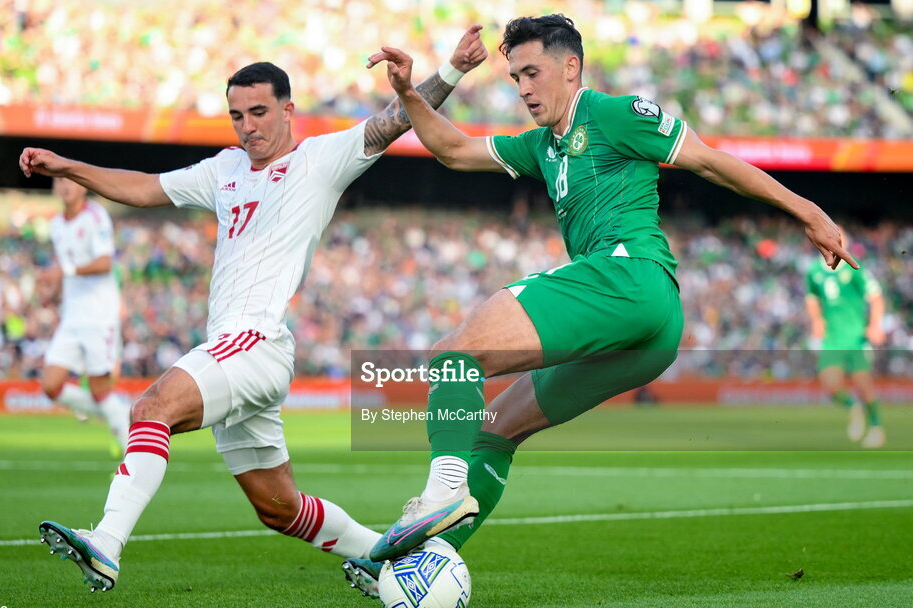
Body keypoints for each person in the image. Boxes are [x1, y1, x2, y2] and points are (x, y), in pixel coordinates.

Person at [356, 14, 856, 575]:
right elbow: (452, 150)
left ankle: (442, 491)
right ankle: (426, 564)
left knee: (454, 355)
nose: (522, 88)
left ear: (571, 68)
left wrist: (809, 212)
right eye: (514, 77)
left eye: (532, 73)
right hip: (649, 334)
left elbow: (712, 162)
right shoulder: (541, 145)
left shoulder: (616, 114)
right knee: (495, 430)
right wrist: (409, 92)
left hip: (631, 277)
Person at [19, 26, 487, 593]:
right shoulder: (224, 170)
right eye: (237, 115)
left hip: (255, 341)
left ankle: (107, 542)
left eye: (259, 112)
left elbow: (395, 119)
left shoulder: (321, 159)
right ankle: (384, 555)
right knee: (280, 510)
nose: (248, 126)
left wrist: (454, 70)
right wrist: (67, 166)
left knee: (152, 407)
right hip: (239, 352)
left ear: (288, 111)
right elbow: (143, 187)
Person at [38, 177, 131, 457]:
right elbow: (64, 269)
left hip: (99, 315)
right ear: (54, 188)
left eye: (71, 181)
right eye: (59, 181)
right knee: (50, 385)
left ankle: (132, 455)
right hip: (71, 316)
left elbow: (104, 263)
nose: (65, 186)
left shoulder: (96, 216)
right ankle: (118, 411)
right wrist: (51, 294)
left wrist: (64, 273)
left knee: (100, 388)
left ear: (82, 186)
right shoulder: (56, 225)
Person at [805, 232, 886, 448]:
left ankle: (876, 427)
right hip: (832, 339)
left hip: (855, 337)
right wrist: (815, 320)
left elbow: (876, 297)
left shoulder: (855, 267)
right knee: (830, 385)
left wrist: (876, 325)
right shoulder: (814, 271)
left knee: (863, 385)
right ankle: (853, 407)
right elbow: (812, 298)